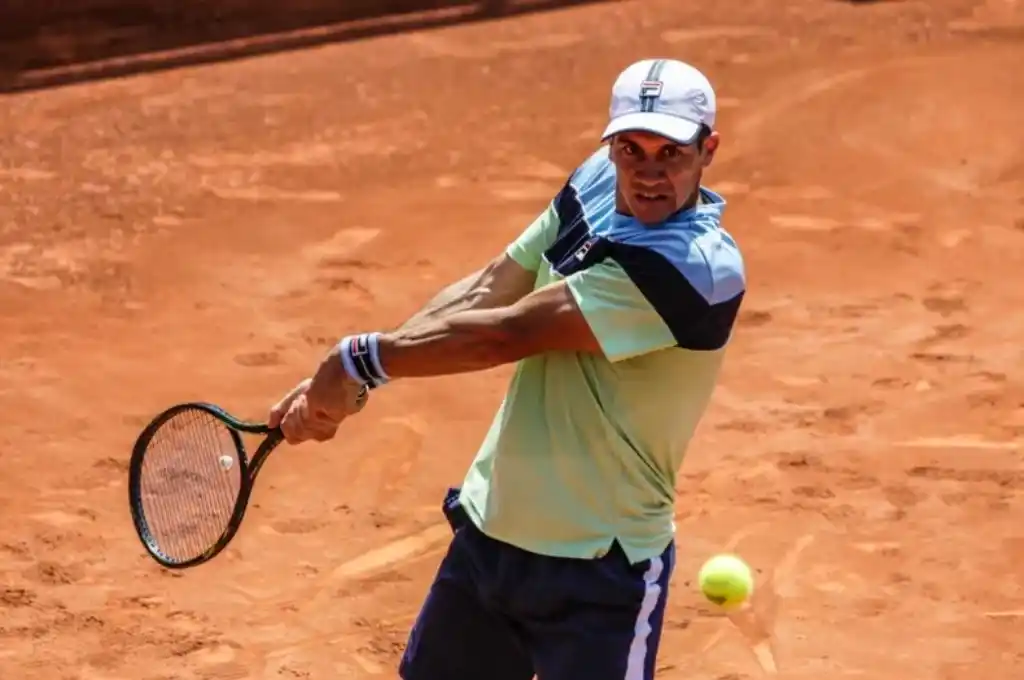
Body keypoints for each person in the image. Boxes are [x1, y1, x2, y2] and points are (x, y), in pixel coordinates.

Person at [268, 57, 746, 680]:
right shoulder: (597, 183)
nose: (647, 173)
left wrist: (359, 359)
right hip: (491, 534)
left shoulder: (694, 269)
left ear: (708, 150)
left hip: (601, 570)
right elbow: (493, 285)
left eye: (670, 154)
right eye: (631, 149)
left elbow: (509, 331)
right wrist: (357, 377)